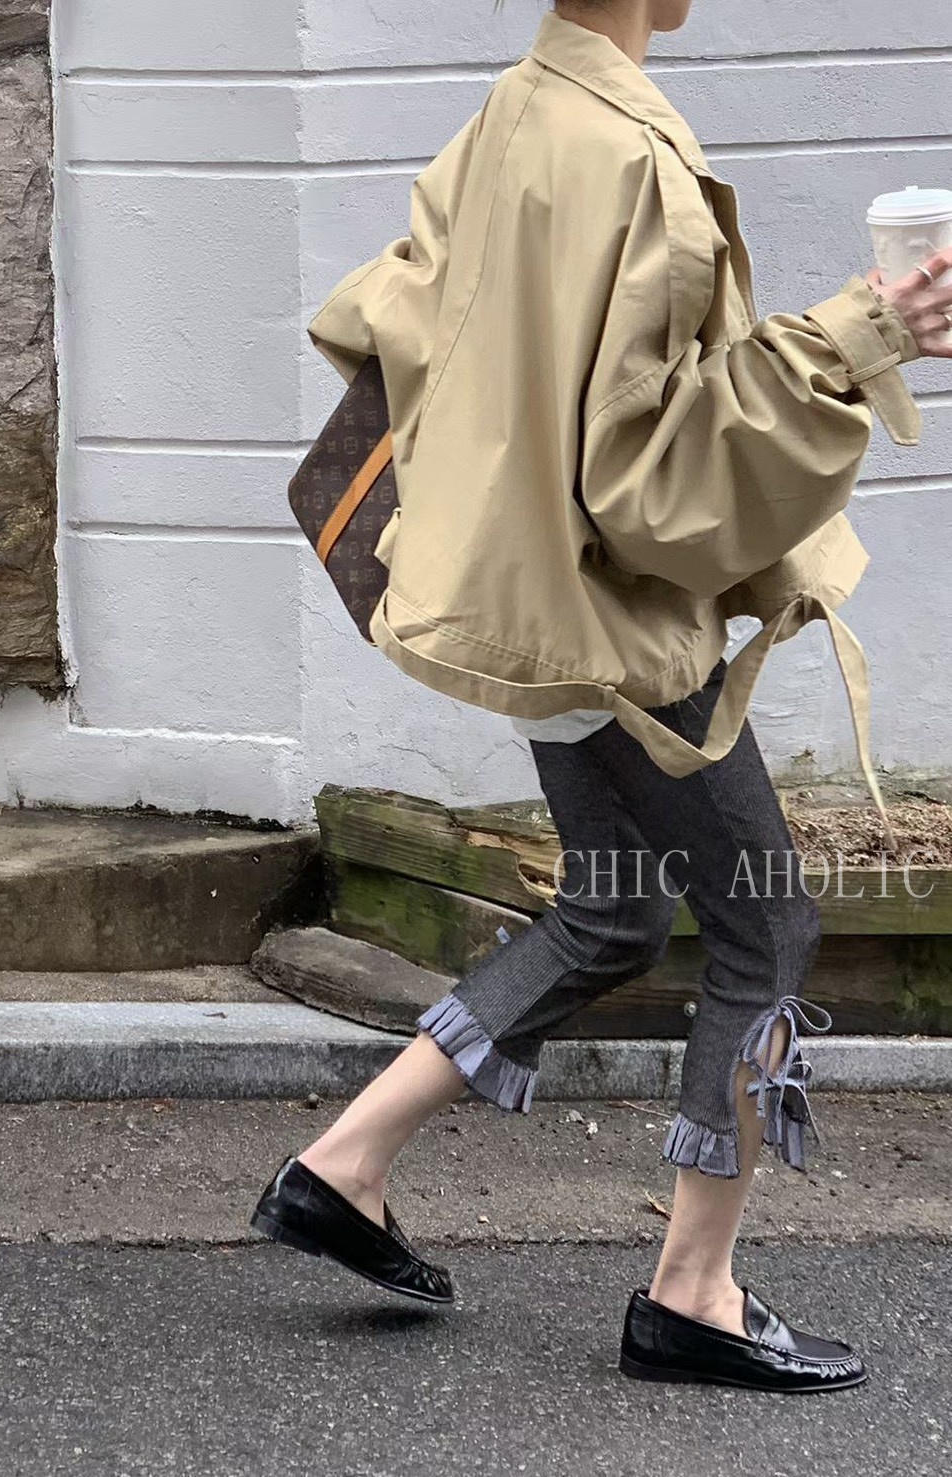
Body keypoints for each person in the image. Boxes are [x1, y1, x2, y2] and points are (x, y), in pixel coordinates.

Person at [251, 0, 952, 1391]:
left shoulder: (518, 105)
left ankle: (345, 1163)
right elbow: (652, 479)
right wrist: (863, 333)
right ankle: (694, 1293)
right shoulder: (630, 155)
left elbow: (404, 313)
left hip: (521, 591)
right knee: (766, 925)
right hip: (607, 624)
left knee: (615, 907)